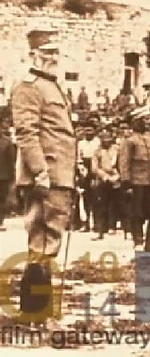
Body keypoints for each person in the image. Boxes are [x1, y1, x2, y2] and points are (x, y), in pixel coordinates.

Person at [11, 25, 76, 324]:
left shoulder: (52, 85)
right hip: (46, 175)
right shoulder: (29, 86)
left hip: (60, 174)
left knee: (48, 242)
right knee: (42, 242)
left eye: (55, 51)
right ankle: (37, 312)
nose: (53, 56)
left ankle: (35, 311)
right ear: (32, 54)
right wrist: (39, 171)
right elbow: (26, 133)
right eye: (46, 52)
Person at [119, 106, 150, 252]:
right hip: (137, 180)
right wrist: (126, 182)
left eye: (147, 119)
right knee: (137, 212)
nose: (147, 122)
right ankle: (138, 240)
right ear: (136, 121)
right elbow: (124, 162)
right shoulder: (129, 140)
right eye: (143, 120)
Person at [0, 118, 16, 230]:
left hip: (4, 176)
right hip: (4, 175)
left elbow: (12, 159)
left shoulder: (7, 142)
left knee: (2, 199)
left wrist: (13, 175)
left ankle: (0, 221)